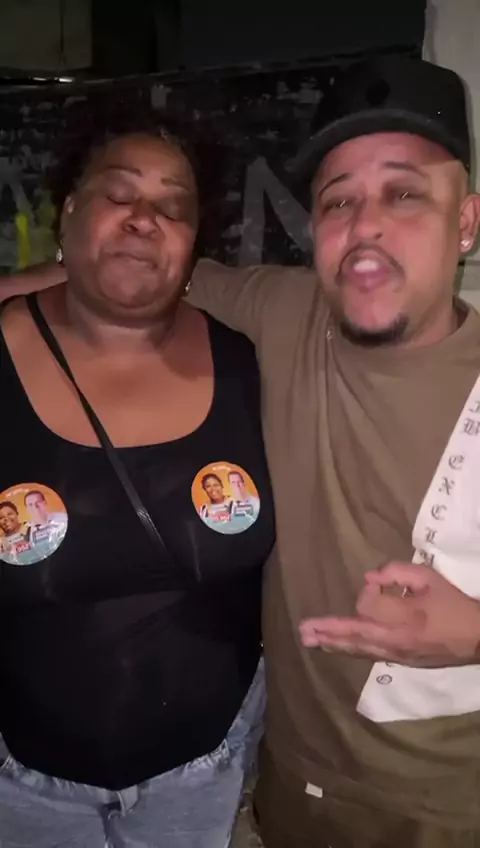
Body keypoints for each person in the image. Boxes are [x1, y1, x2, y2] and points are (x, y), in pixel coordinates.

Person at [8, 55, 480, 847]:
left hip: (447, 814)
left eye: (404, 194)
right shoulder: (281, 315)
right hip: (278, 794)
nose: (366, 226)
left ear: (465, 221)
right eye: (338, 200)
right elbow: (134, 274)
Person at [0, 116, 275, 848]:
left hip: (207, 774)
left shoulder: (248, 363)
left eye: (173, 205)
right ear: (69, 211)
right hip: (23, 784)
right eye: (118, 194)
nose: (144, 218)